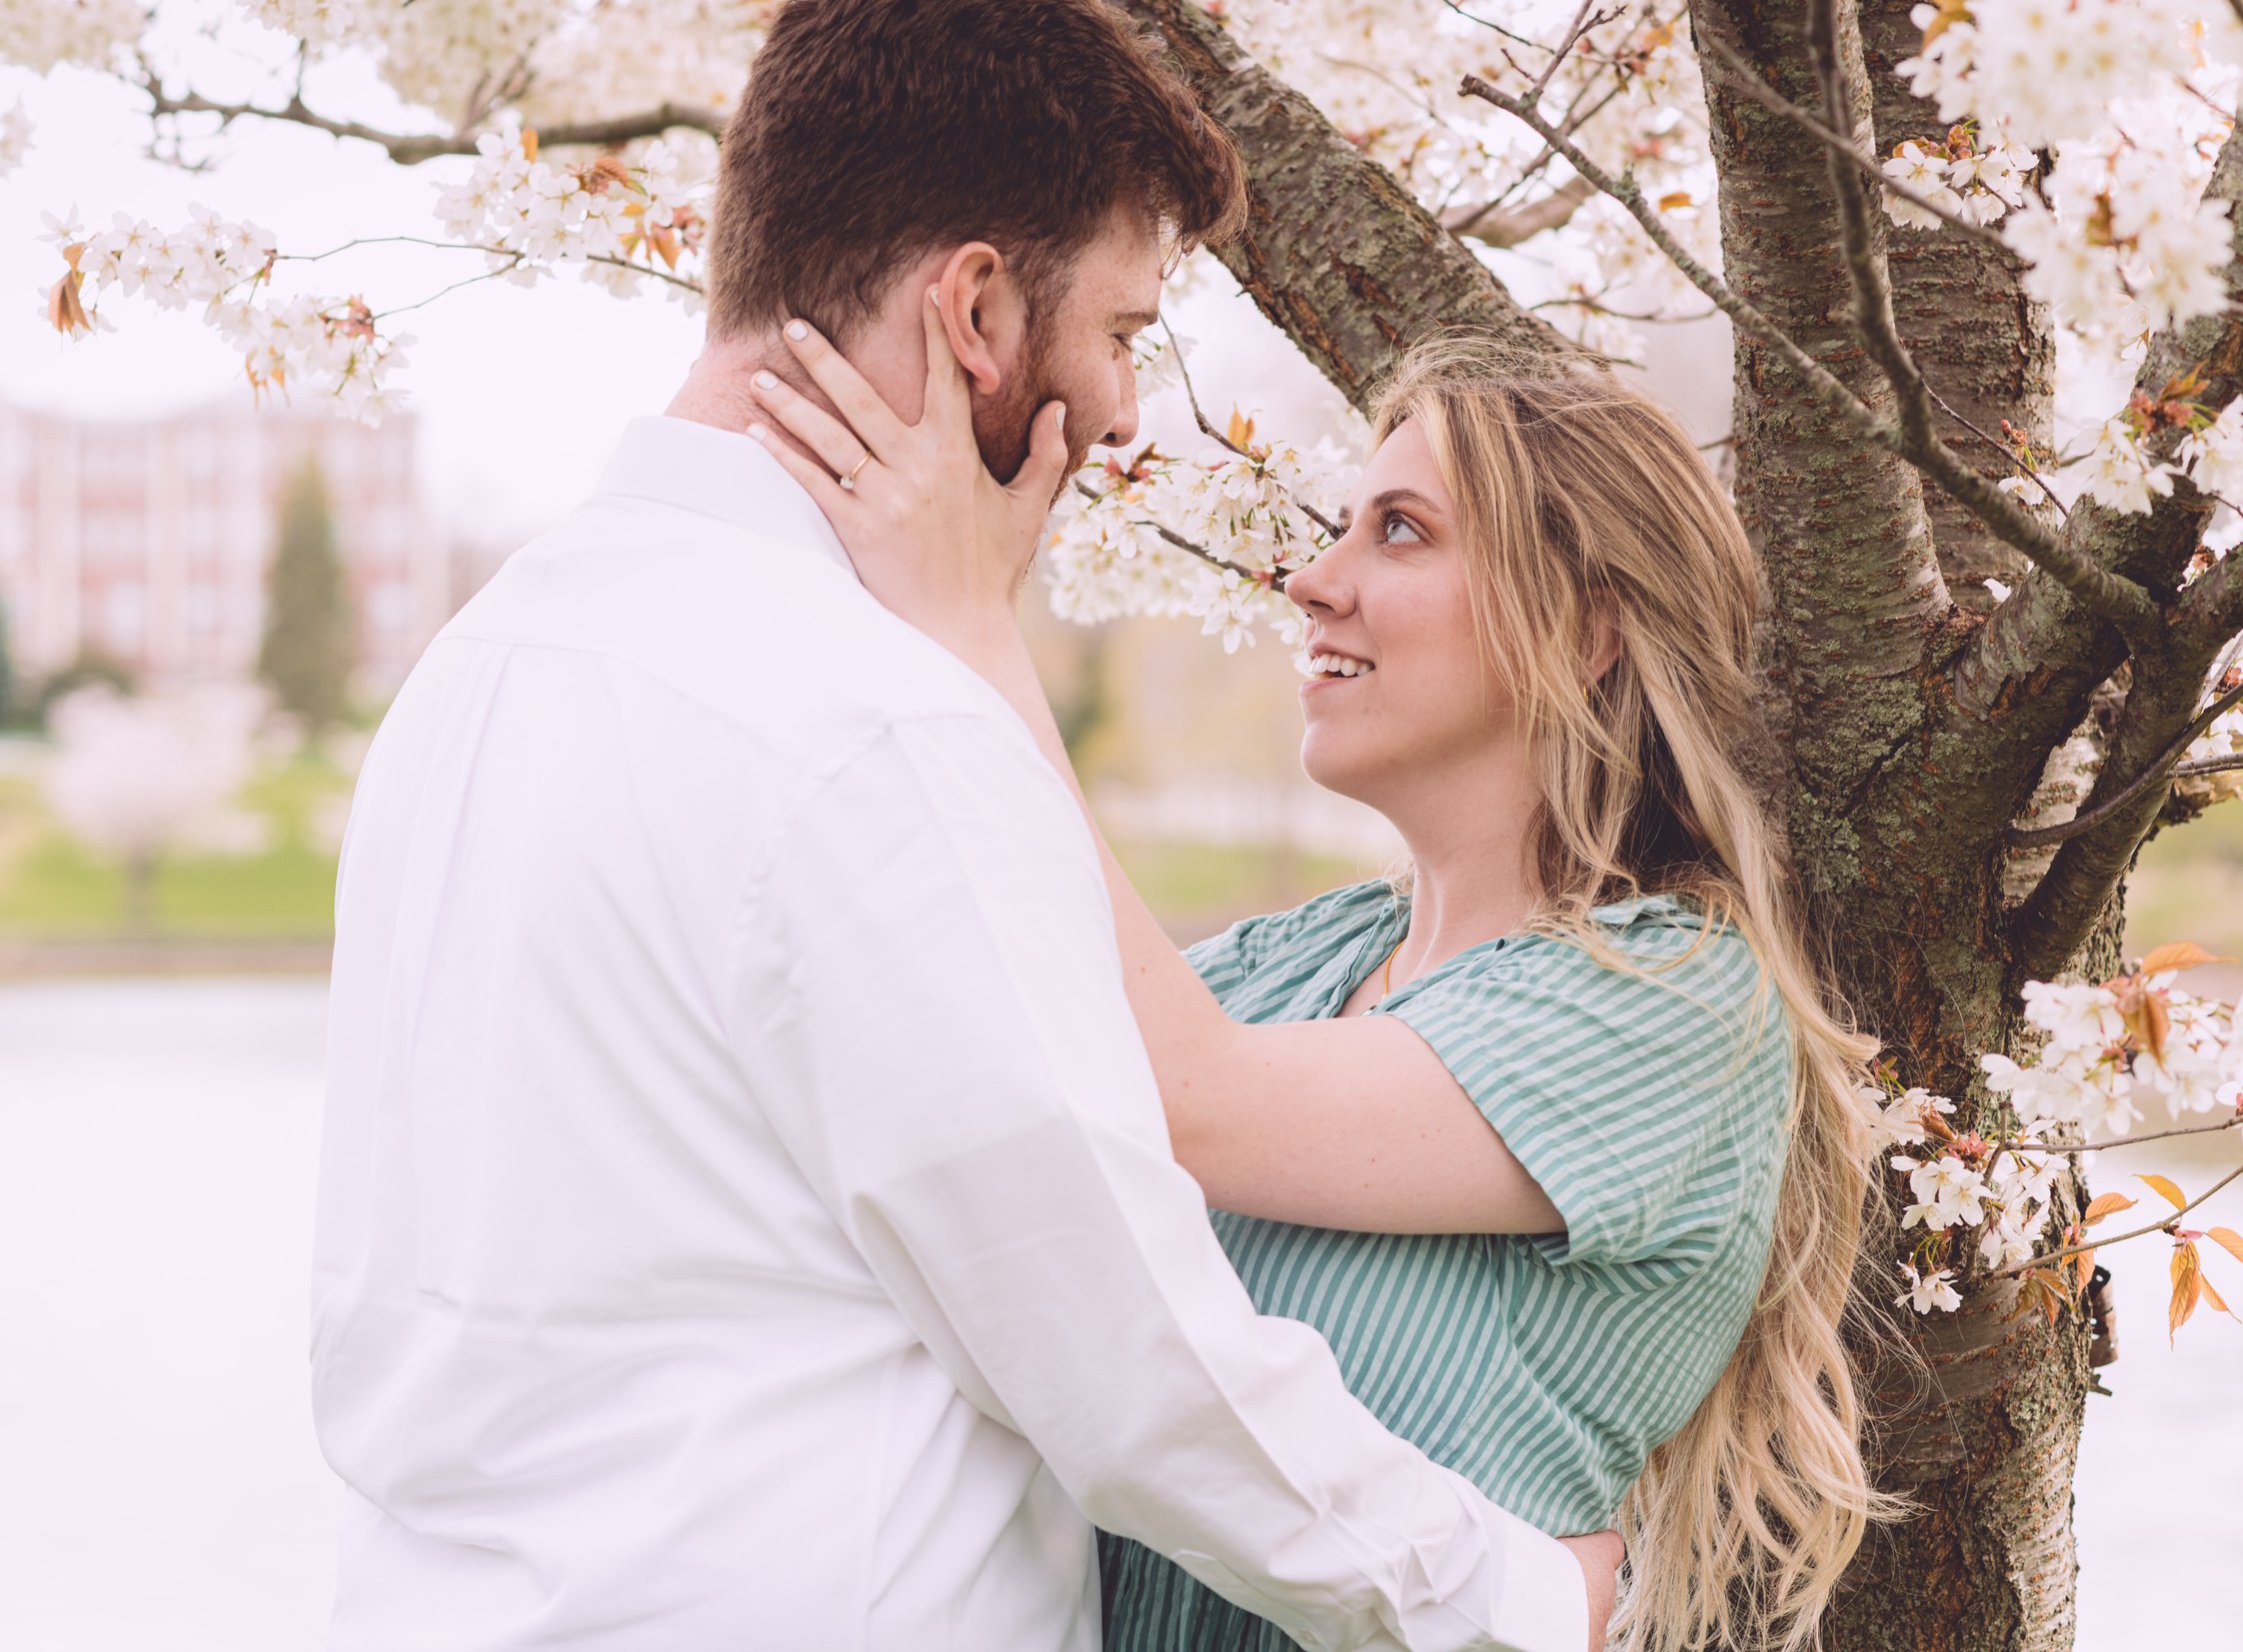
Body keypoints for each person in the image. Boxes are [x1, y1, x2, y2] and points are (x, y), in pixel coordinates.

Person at [311, 0, 1618, 1648]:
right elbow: (1128, 1354)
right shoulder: (874, 721)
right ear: (979, 311)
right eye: (1127, 333)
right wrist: (1519, 1597)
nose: (1133, 413)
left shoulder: (476, 671)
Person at [744, 314, 1898, 1651]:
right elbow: (1009, 1066)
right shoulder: (1299, 960)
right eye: (1344, 525)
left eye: (1398, 531)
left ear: (1588, 630)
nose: (1312, 580)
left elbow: (1180, 1096)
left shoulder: (1680, 1008)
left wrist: (969, 630)